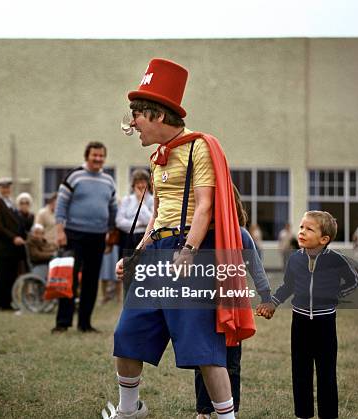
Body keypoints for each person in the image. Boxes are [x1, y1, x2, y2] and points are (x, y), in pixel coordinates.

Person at [109, 58, 255, 419]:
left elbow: (205, 206)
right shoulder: (159, 159)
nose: (133, 126)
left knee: (203, 348)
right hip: (158, 250)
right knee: (127, 337)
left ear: (157, 116)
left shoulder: (198, 147)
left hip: (189, 251)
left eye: (137, 117)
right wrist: (136, 254)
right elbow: (157, 216)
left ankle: (225, 417)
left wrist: (189, 249)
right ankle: (130, 412)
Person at [257, 211, 358, 419]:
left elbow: (354, 281)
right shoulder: (295, 259)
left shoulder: (336, 261)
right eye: (302, 227)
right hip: (300, 322)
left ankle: (328, 415)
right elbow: (288, 286)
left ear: (324, 239)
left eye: (309, 229)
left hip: (325, 323)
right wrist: (273, 303)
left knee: (326, 373)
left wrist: (335, 295)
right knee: (301, 371)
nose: (302, 232)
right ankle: (302, 414)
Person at [193, 184, 272, 418]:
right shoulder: (196, 235)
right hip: (203, 307)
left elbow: (256, 269)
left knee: (231, 362)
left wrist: (266, 296)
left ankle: (230, 410)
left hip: (232, 308)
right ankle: (204, 410)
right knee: (203, 360)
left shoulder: (240, 234)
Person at [53, 141, 118, 333]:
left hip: (98, 237)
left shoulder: (109, 181)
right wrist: (59, 231)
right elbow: (60, 205)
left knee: (91, 281)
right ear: (87, 156)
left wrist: (111, 234)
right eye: (94, 155)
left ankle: (85, 324)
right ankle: (62, 323)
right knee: (69, 279)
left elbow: (113, 209)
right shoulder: (74, 176)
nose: (98, 159)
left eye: (101, 156)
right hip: (73, 235)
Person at [0, 178, 24, 310]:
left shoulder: (11, 203)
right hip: (2, 248)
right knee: (1, 277)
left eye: (8, 187)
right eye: (3, 188)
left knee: (11, 277)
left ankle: (7, 303)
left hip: (12, 249)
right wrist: (14, 237)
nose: (6, 190)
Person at [115, 169, 154, 259]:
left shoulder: (152, 200)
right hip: (127, 239)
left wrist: (141, 201)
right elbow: (119, 222)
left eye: (143, 182)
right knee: (126, 268)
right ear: (133, 185)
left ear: (148, 184)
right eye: (137, 183)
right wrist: (138, 224)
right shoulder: (126, 200)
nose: (140, 185)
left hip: (145, 238)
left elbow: (150, 221)